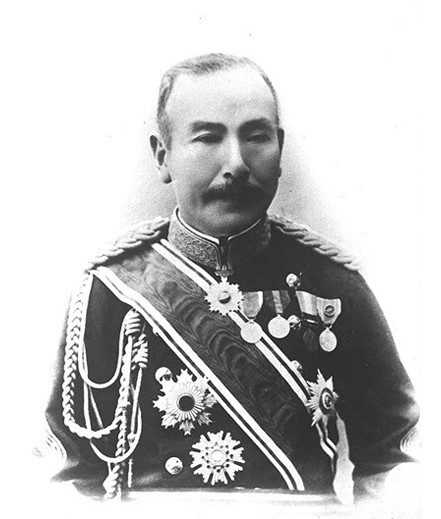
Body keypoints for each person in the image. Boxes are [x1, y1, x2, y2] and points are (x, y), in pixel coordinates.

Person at [43, 53, 419, 505]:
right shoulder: (110, 290)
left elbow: (398, 459)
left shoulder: (334, 286)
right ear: (163, 156)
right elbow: (64, 476)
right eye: (207, 138)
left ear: (279, 149)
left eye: (256, 137)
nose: (237, 163)